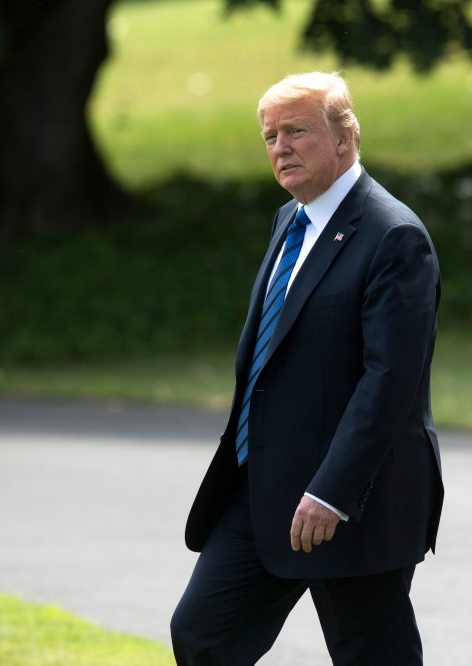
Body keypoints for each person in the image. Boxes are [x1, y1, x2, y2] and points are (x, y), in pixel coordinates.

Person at [171, 71, 444, 666]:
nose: (280, 148)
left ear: (345, 137)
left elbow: (389, 382)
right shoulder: (289, 221)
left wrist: (332, 491)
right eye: (270, 136)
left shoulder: (394, 236)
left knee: (373, 656)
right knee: (202, 636)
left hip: (350, 498)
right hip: (261, 487)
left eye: (295, 131)